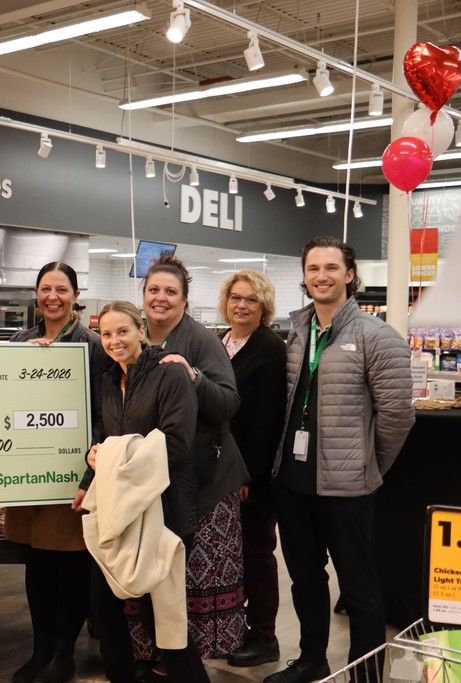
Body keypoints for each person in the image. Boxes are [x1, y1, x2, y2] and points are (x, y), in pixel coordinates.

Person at [264, 238, 414, 683]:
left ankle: (364, 674)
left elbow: (397, 417)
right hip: (291, 483)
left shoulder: (377, 337)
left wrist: (368, 466)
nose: (321, 276)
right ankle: (313, 660)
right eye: (313, 268)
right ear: (305, 275)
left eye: (331, 267)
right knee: (306, 582)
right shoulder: (295, 332)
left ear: (349, 275)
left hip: (347, 490)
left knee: (360, 590)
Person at [85, 300, 209, 683]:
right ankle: (119, 675)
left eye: (123, 331)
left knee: (164, 612)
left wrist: (107, 457)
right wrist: (87, 481)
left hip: (166, 507)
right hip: (120, 508)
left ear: (141, 331)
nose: (114, 340)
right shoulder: (108, 380)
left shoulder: (169, 374)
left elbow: (175, 445)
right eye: (106, 333)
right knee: (104, 605)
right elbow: (106, 438)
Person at [133, 252, 248, 662]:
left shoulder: (199, 340)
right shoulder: (137, 336)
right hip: (152, 479)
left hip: (205, 479)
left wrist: (194, 376)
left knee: (194, 573)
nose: (160, 298)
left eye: (170, 292)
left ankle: (188, 659)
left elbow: (229, 403)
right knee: (156, 572)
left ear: (184, 299)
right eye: (153, 290)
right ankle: (155, 653)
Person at [5, 261, 111, 683]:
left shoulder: (92, 345)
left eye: (61, 290)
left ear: (75, 295)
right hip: (29, 475)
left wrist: (92, 470)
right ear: (36, 295)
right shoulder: (19, 341)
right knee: (36, 564)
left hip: (72, 474)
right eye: (46, 289)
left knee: (70, 565)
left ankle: (64, 652)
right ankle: (40, 647)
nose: (53, 297)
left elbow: (105, 413)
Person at [215, 271, 287, 668]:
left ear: (264, 307)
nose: (241, 305)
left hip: (250, 478)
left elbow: (266, 422)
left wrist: (248, 476)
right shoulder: (219, 342)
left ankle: (264, 636)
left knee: (257, 553)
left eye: (251, 300)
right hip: (218, 472)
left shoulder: (270, 348)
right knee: (230, 554)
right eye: (236, 298)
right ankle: (234, 627)